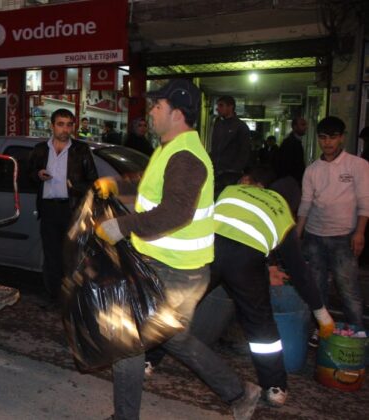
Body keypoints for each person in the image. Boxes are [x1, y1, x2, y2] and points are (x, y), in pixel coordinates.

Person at [94, 79, 260, 420]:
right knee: (174, 338)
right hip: (173, 266)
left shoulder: (186, 157)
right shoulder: (171, 148)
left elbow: (175, 212)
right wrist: (119, 188)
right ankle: (240, 393)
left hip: (176, 270)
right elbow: (152, 189)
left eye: (157, 107)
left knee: (129, 341)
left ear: (177, 113)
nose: (151, 112)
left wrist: (120, 227)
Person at [209, 166, 334, 407]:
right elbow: (300, 272)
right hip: (244, 263)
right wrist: (322, 313)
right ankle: (275, 386)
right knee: (261, 327)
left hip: (208, 249)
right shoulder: (283, 214)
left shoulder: (233, 190)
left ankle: (148, 359)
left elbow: (229, 228)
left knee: (182, 304)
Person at [297, 116, 369, 332]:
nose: (327, 143)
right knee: (316, 291)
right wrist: (296, 235)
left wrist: (360, 233)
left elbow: (365, 201)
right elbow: (305, 204)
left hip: (343, 238)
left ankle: (357, 335)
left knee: (349, 291)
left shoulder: (358, 165)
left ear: (342, 138)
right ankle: (322, 333)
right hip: (314, 237)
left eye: (333, 137)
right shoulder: (312, 170)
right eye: (323, 137)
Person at [29, 108, 98, 299]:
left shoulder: (80, 150)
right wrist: (38, 175)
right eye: (60, 124)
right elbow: (27, 175)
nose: (65, 129)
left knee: (72, 257)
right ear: (52, 126)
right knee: (51, 257)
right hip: (49, 209)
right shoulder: (41, 150)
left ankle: (73, 300)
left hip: (72, 209)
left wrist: (75, 186)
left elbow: (93, 181)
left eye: (69, 125)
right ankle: (53, 297)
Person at [210, 95, 251, 197]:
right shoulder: (218, 123)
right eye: (217, 105)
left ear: (230, 107)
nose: (217, 108)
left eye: (221, 105)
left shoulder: (240, 126)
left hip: (231, 175)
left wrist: (235, 169)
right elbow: (215, 146)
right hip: (216, 172)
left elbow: (245, 151)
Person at [274, 117, 307, 185]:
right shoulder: (291, 143)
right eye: (303, 125)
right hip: (291, 181)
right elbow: (287, 164)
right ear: (295, 127)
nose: (306, 127)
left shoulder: (293, 141)